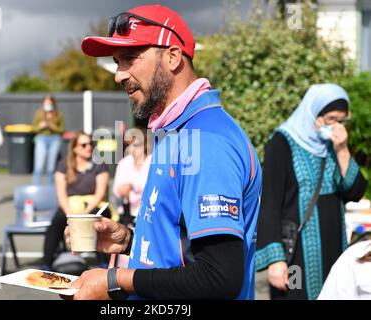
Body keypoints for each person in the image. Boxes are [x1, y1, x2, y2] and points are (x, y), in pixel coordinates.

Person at [65, 4, 262, 300]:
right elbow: (185, 252)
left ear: (172, 56)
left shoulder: (206, 138)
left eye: (130, 58)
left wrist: (115, 280)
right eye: (118, 61)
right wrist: (130, 241)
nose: (119, 75)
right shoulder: (177, 130)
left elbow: (219, 277)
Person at [255, 84, 368, 300]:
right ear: (313, 113)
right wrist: (275, 260)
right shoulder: (282, 143)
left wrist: (342, 150)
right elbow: (269, 203)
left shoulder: (332, 147)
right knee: (292, 293)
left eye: (342, 121)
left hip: (333, 250)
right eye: (331, 119)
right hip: (294, 255)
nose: (336, 126)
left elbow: (355, 191)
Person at [42, 132, 110, 270]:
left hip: (93, 205)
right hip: (70, 206)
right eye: (84, 145)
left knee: (101, 220)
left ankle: (104, 262)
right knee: (57, 221)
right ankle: (46, 262)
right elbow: (61, 195)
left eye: (90, 144)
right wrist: (70, 216)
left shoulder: (99, 164)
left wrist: (85, 214)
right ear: (74, 148)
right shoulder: (63, 165)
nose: (88, 147)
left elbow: (100, 194)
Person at [112, 127, 151, 220]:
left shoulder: (152, 163)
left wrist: (132, 186)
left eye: (136, 145)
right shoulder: (124, 163)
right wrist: (122, 190)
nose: (132, 149)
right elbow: (116, 190)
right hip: (126, 214)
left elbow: (153, 189)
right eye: (129, 145)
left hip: (147, 214)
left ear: (145, 145)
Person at [32, 95, 65, 185]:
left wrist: (53, 126)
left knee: (51, 167)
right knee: (39, 166)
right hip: (41, 138)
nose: (48, 104)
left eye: (49, 103)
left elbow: (62, 129)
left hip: (55, 139)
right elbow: (34, 128)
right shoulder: (39, 113)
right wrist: (40, 126)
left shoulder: (58, 114)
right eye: (46, 103)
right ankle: (36, 186)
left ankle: (50, 189)